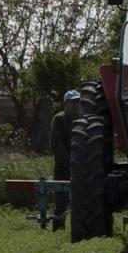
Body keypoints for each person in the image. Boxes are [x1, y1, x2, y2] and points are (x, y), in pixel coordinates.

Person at [50, 90, 82, 231]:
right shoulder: (59, 119)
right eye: (73, 102)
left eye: (78, 102)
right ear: (66, 103)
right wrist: (69, 164)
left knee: (80, 201)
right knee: (61, 201)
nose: (76, 104)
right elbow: (57, 145)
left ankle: (79, 228)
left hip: (81, 167)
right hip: (63, 167)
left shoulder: (82, 120)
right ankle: (58, 227)